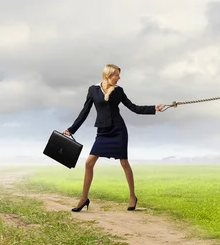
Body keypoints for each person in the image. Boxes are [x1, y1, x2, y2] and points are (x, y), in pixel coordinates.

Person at [63, 63, 165, 212]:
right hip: (103, 132)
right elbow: (84, 112)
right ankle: (84, 198)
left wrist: (153, 108)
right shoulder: (93, 90)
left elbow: (133, 107)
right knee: (89, 163)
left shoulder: (119, 91)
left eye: (118, 74)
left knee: (124, 163)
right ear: (108, 75)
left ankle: (132, 197)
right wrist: (72, 129)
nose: (119, 77)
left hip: (118, 130)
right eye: (116, 75)